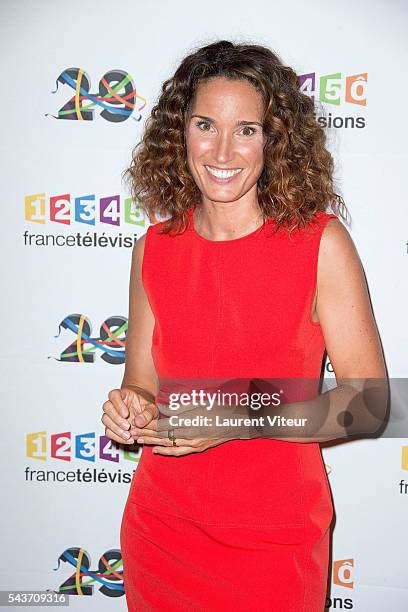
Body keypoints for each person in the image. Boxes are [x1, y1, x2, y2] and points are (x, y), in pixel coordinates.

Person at [101, 40, 387, 611]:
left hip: (273, 539)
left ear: (274, 140)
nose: (223, 149)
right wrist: (129, 406)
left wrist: (229, 417)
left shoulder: (319, 244)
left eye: (247, 129)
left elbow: (370, 405)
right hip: (161, 530)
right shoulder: (154, 248)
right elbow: (143, 382)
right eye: (206, 124)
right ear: (178, 133)